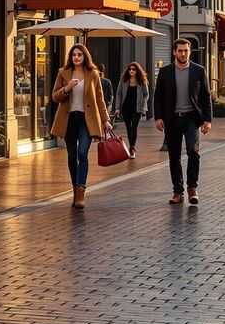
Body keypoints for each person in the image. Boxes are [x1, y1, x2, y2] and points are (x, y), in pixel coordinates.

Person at [50, 44, 113, 209]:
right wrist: (67, 88)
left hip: (86, 120)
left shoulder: (93, 74)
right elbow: (55, 97)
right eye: (74, 55)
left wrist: (105, 120)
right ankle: (74, 188)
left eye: (79, 54)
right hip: (69, 119)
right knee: (71, 157)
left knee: (82, 152)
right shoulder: (63, 73)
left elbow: (100, 99)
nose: (76, 57)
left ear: (85, 56)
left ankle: (80, 191)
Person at [153, 38, 213, 205]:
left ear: (189, 51)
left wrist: (207, 119)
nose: (183, 53)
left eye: (186, 50)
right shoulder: (165, 72)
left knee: (193, 151)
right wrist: (158, 117)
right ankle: (177, 192)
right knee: (174, 156)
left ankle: (192, 187)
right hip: (172, 120)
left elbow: (206, 96)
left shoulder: (199, 70)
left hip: (192, 119)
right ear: (174, 52)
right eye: (180, 51)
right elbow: (158, 97)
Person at [114, 62, 150, 156]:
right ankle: (131, 145)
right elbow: (119, 94)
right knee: (128, 128)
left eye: (133, 69)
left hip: (137, 108)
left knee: (134, 126)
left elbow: (146, 94)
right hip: (126, 108)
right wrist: (117, 108)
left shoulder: (142, 81)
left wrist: (144, 103)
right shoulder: (124, 80)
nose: (131, 71)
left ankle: (132, 148)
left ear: (137, 70)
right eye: (130, 69)